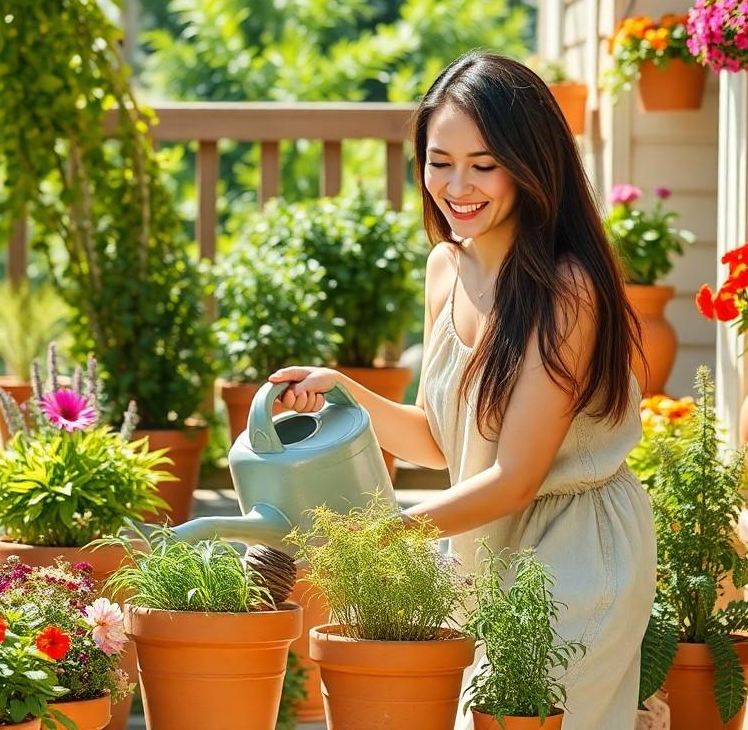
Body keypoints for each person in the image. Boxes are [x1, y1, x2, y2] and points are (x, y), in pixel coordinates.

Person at [269, 51, 656, 730]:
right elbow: (439, 439)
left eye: (484, 164)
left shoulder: (566, 291)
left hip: (572, 553)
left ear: (533, 166)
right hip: (484, 549)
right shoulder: (445, 267)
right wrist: (343, 393)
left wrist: (382, 537)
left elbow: (512, 478)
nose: (457, 186)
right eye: (440, 161)